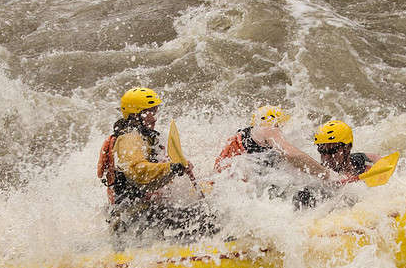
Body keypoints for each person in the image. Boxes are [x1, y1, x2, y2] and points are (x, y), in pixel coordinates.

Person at [97, 87, 216, 244]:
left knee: (197, 215)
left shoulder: (143, 137)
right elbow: (138, 172)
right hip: (133, 215)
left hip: (144, 212)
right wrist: (171, 168)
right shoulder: (129, 139)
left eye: (155, 112)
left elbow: (155, 178)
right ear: (135, 115)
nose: (154, 118)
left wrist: (178, 166)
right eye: (150, 112)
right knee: (200, 217)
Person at [213, 106, 348, 206]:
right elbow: (291, 154)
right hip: (240, 190)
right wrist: (328, 175)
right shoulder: (269, 129)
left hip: (229, 190)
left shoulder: (246, 137)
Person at [313, 119, 378, 181]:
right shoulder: (318, 174)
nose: (326, 157)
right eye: (322, 151)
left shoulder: (358, 160)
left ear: (347, 148)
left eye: (332, 151)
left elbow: (375, 157)